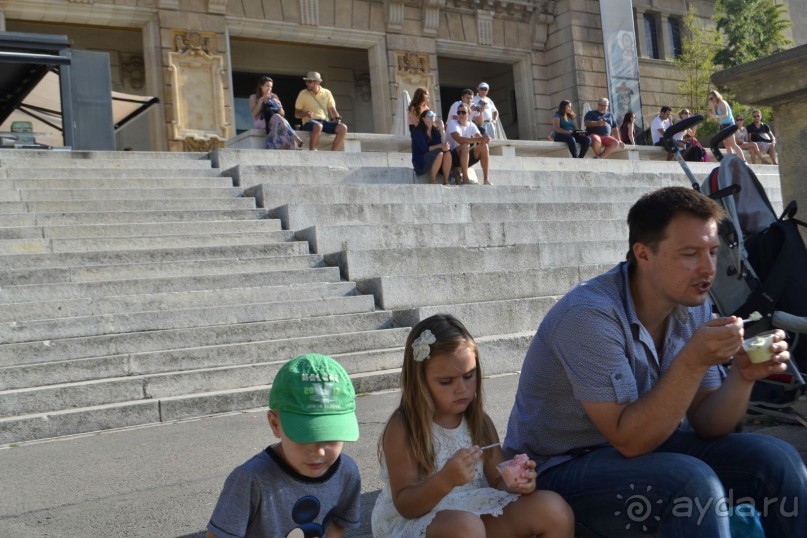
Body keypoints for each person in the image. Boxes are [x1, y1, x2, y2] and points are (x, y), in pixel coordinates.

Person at [504, 186, 807, 537]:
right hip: (556, 469)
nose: (708, 268)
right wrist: (693, 361)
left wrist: (742, 376)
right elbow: (630, 440)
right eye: (690, 254)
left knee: (776, 461)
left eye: (713, 251)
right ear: (643, 254)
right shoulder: (588, 316)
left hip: (648, 449)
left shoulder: (692, 305)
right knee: (688, 484)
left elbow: (708, 422)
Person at [371, 314, 574, 537]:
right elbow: (406, 506)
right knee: (467, 527)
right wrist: (445, 480)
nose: (462, 389)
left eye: (469, 376)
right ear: (419, 381)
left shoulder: (479, 422)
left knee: (553, 509)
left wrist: (516, 481)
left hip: (472, 513)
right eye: (446, 382)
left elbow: (497, 481)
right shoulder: (404, 428)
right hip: (419, 522)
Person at [207, 353, 361, 538]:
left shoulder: (346, 472)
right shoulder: (250, 480)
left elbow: (337, 526)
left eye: (332, 436)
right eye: (304, 436)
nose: (319, 451)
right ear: (275, 424)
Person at [295, 71, 348, 151]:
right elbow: (296, 114)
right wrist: (305, 114)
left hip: (324, 122)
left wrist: (337, 119)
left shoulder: (327, 93)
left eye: (309, 81)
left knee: (343, 128)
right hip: (309, 123)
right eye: (306, 81)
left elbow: (333, 110)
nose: (307, 83)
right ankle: (313, 151)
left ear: (317, 82)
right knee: (318, 126)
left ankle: (333, 153)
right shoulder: (303, 93)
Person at [249, 75, 303, 150]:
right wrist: (261, 100)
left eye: (271, 87)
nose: (269, 88)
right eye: (267, 86)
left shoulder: (274, 96)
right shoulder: (254, 97)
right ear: (261, 86)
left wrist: (278, 105)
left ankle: (287, 141)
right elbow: (254, 114)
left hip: (274, 119)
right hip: (261, 121)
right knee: (277, 117)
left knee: (277, 117)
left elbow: (282, 113)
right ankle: (294, 137)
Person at [446, 104, 491, 185]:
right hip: (451, 157)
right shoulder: (452, 123)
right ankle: (465, 179)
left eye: (463, 112)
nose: (460, 114)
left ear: (469, 114)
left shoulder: (471, 124)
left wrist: (486, 139)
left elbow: (480, 138)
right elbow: (459, 139)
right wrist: (481, 139)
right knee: (465, 145)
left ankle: (486, 180)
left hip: (465, 155)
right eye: (458, 112)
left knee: (484, 146)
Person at [412, 110, 451, 184]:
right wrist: (441, 146)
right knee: (439, 154)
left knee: (447, 153)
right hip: (420, 161)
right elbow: (425, 148)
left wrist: (442, 130)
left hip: (434, 157)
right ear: (424, 119)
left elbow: (441, 145)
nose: (432, 116)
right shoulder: (418, 132)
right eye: (430, 115)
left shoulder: (435, 131)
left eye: (434, 114)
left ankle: (446, 180)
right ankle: (432, 179)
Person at [708, 90, 746, 162]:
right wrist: (712, 108)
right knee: (727, 145)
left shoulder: (722, 102)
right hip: (722, 126)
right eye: (709, 99)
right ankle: (731, 161)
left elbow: (726, 114)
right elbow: (716, 118)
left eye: (712, 98)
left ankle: (744, 161)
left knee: (733, 144)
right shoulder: (716, 105)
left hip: (729, 125)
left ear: (716, 96)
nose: (711, 100)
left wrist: (716, 116)